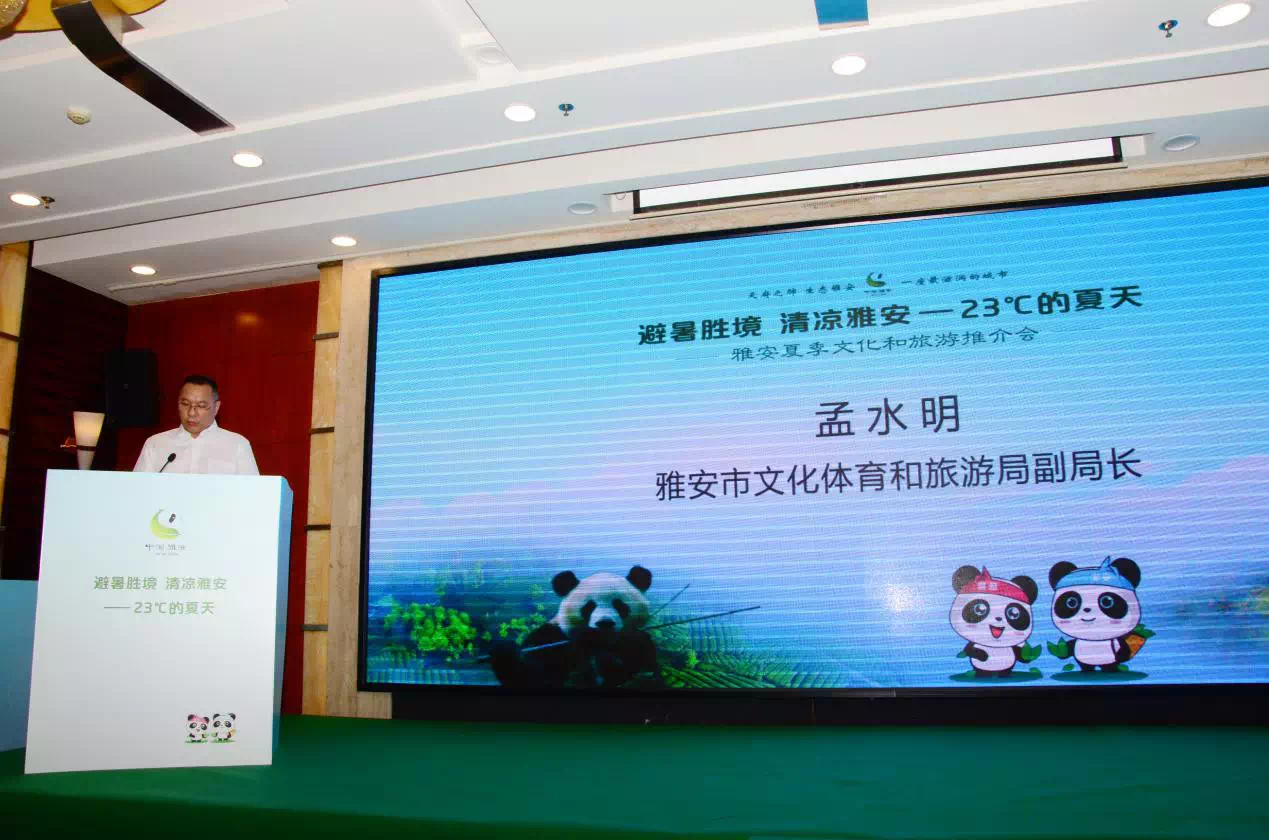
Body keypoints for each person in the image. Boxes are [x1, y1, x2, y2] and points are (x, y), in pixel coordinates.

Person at [133, 374, 259, 475]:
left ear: (216, 407)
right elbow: (138, 490)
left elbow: (252, 493)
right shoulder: (155, 444)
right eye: (185, 404)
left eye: (201, 406)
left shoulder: (237, 445)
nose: (191, 413)